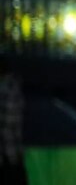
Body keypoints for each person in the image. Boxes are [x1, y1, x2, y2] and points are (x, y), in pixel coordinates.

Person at [0, 57, 26, 185]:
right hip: (13, 150)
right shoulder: (13, 86)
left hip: (9, 151)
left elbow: (8, 123)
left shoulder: (8, 87)